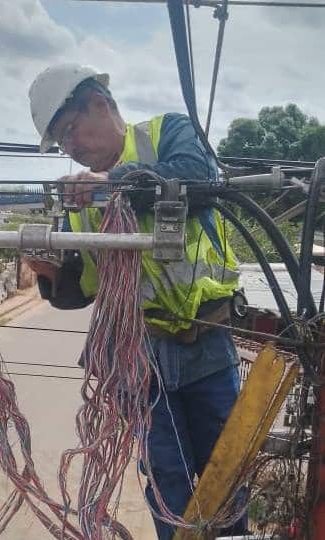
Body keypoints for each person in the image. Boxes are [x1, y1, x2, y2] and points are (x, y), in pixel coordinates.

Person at [27, 63, 248, 539]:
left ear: (101, 105)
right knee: (167, 482)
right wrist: (51, 274)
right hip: (140, 358)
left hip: (205, 341)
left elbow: (197, 176)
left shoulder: (167, 133)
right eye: (62, 142)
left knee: (227, 472)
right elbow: (83, 289)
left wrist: (117, 182)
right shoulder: (81, 199)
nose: (71, 147)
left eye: (70, 131)